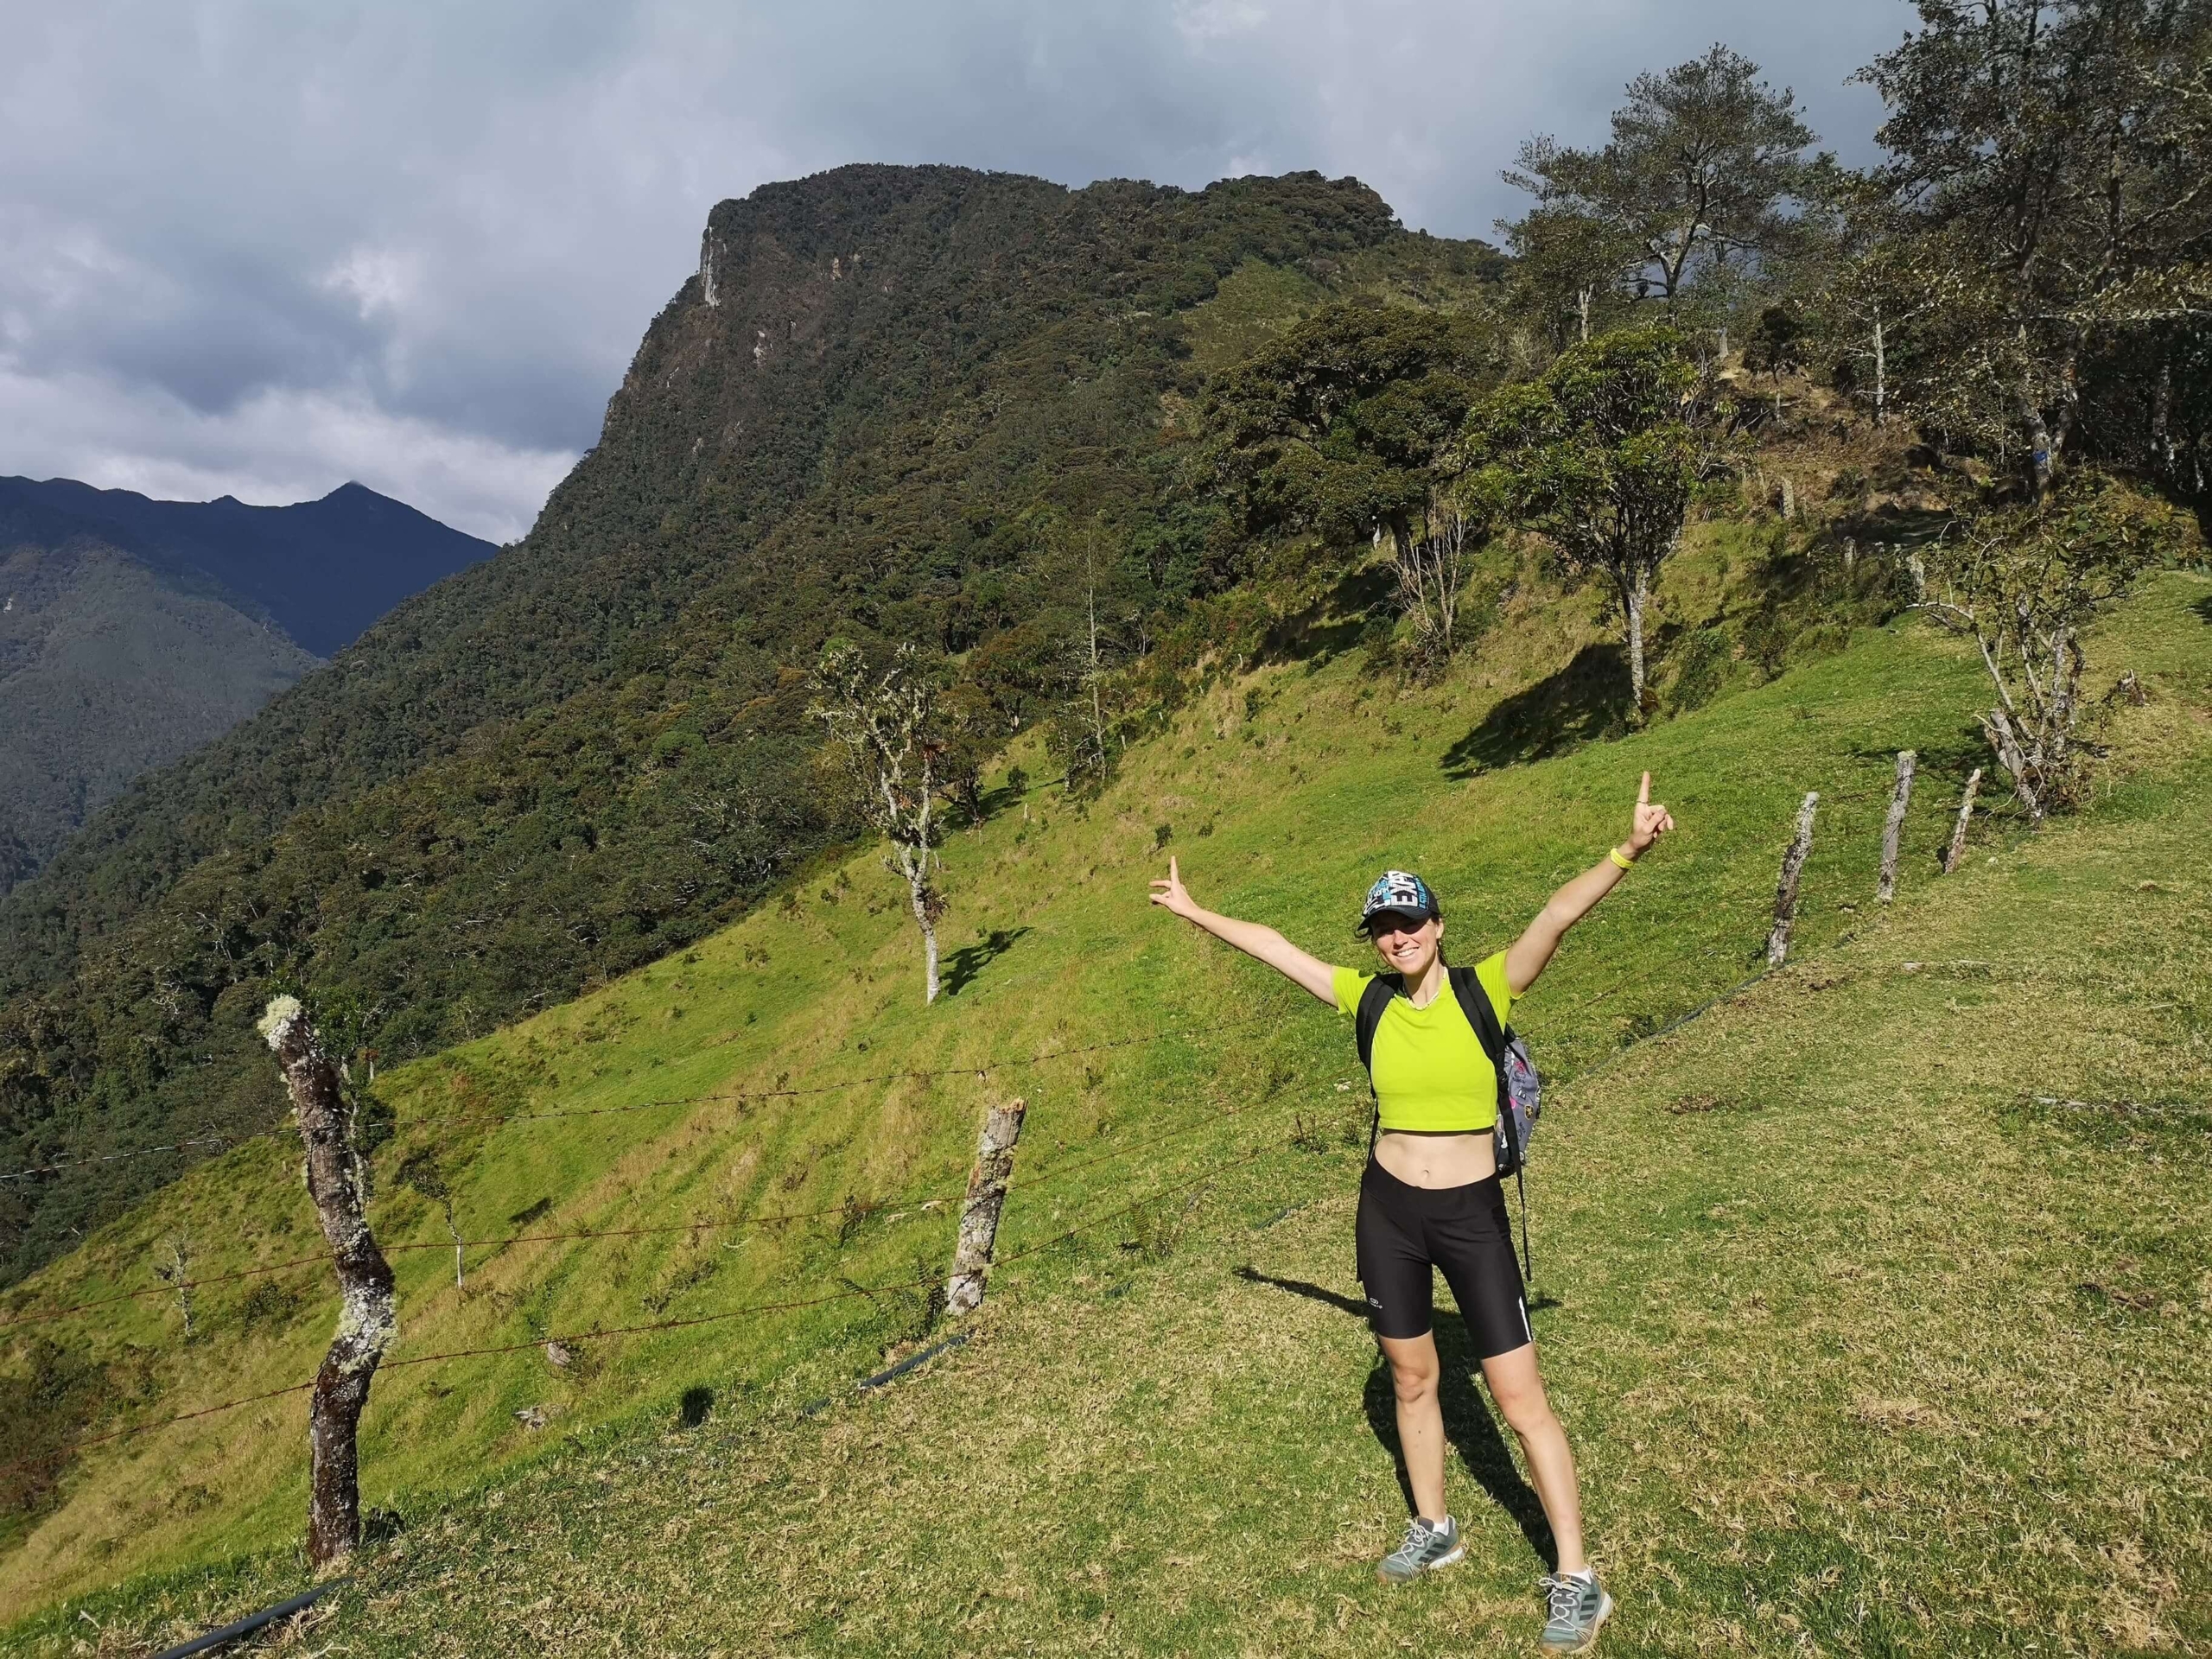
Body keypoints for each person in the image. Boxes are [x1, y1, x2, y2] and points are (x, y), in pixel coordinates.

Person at [1147, 772, 1675, 1652]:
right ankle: (1433, 1528)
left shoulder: (1487, 991)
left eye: (1409, 923)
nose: (1396, 938)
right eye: (1382, 929)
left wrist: (1625, 851)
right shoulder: (1364, 999)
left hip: (1469, 1214)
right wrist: (1196, 910)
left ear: (1437, 926)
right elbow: (1275, 948)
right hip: (1387, 1210)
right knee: (1411, 1377)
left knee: (1519, 1401)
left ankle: (1576, 1576)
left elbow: (1554, 916)